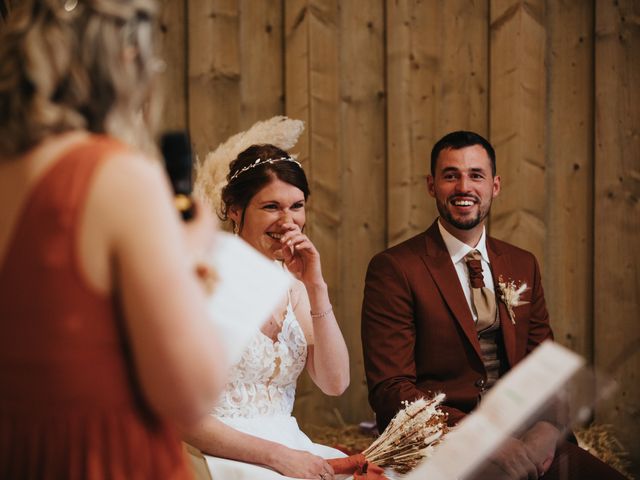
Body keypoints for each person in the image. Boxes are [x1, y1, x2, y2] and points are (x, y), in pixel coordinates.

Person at [0, 1, 226, 478]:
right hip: (101, 460)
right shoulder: (117, 176)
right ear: (126, 59)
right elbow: (191, 393)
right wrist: (191, 257)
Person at [361, 131, 627, 479]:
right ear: (431, 185)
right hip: (442, 444)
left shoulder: (522, 264)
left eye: (476, 175)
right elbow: (391, 389)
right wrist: (485, 441)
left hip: (527, 439)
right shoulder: (395, 268)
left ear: (495, 186)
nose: (463, 187)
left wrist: (543, 439)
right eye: (450, 175)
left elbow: (545, 371)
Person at [185, 142, 350, 480]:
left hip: (288, 443)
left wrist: (316, 288)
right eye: (271, 207)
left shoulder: (295, 286)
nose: (287, 221)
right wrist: (277, 457)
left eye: (297, 206)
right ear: (234, 209)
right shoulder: (203, 281)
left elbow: (336, 383)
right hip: (214, 451)